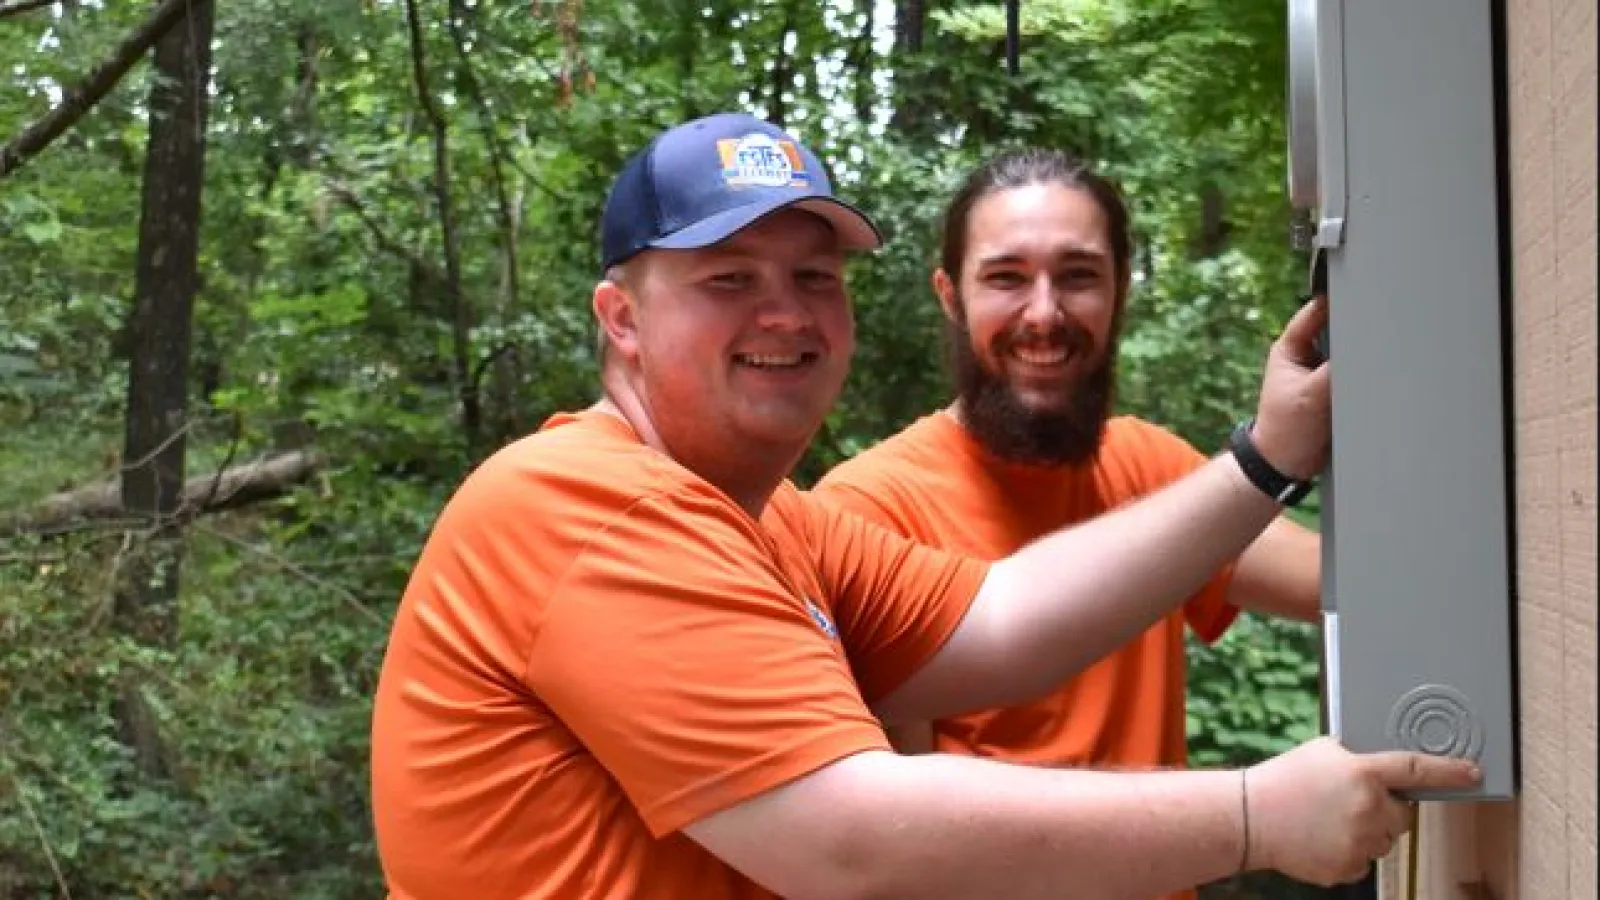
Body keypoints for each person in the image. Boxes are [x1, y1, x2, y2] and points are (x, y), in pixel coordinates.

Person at [368, 112, 1476, 900]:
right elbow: (850, 842)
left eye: (814, 277)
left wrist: (1266, 457)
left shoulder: (771, 520)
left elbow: (994, 622)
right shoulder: (591, 507)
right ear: (620, 319)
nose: (784, 313)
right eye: (728, 278)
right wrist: (1253, 816)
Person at [809, 149, 1324, 900]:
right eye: (1006, 278)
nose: (1044, 314)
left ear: (1120, 291)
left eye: (1079, 276)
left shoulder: (1150, 468)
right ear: (950, 296)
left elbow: (1333, 584)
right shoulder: (869, 512)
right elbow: (905, 848)